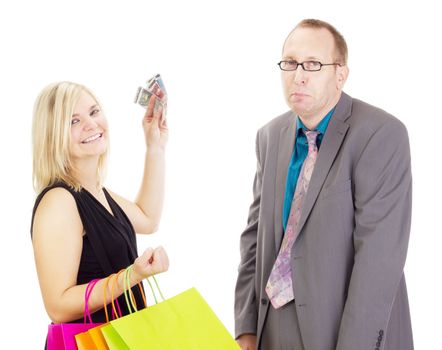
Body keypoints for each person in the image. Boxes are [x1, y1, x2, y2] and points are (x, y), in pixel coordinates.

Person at [234, 19, 413, 350]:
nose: (298, 75)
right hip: (272, 325)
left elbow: (378, 260)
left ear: (340, 74)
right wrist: (246, 328)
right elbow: (254, 239)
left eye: (313, 64)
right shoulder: (269, 136)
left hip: (342, 328)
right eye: (289, 63)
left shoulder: (380, 135)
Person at [31, 81, 169, 347]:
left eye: (94, 112)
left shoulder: (96, 192)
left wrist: (155, 147)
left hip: (120, 338)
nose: (91, 124)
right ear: (52, 134)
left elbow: (147, 218)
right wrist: (131, 276)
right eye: (73, 121)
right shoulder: (59, 201)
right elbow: (58, 306)